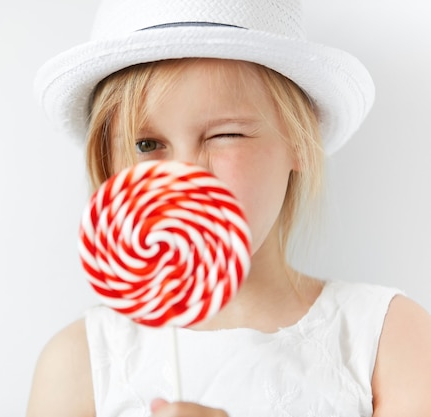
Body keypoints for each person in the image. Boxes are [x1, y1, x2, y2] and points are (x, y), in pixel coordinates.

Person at [27, 1, 431, 416]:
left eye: (225, 135)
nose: (185, 174)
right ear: (108, 164)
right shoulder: (79, 363)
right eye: (147, 144)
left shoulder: (389, 338)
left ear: (299, 140)